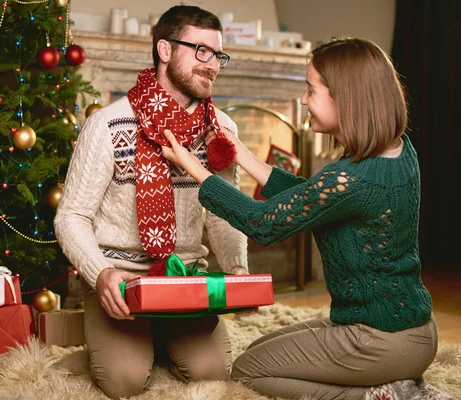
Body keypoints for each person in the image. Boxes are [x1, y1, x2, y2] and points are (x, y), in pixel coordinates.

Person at [161, 37, 438, 399]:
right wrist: (241, 153)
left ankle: (381, 395)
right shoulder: (399, 150)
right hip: (410, 329)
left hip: (379, 340)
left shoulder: (350, 178)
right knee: (262, 348)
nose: (303, 100)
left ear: (346, 97)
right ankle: (390, 382)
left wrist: (197, 171)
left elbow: (264, 223)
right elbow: (313, 198)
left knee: (247, 371)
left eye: (311, 90)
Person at [54, 5, 249, 399]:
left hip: (186, 279)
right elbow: (71, 216)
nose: (212, 65)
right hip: (122, 279)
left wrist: (238, 271)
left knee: (210, 373)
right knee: (125, 380)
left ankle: (160, 338)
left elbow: (225, 215)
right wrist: (100, 274)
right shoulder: (108, 123)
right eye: (201, 51)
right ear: (164, 49)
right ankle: (134, 339)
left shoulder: (222, 132)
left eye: (218, 55)